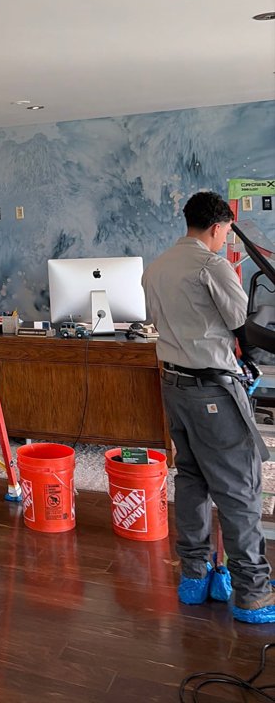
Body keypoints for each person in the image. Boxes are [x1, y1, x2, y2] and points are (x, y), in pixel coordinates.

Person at [142, 190, 274, 624]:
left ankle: (195, 578)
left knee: (193, 479)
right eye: (225, 233)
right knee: (239, 488)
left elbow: (164, 323)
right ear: (218, 227)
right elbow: (245, 329)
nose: (225, 241)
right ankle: (253, 594)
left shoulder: (157, 267)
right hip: (212, 392)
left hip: (174, 388)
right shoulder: (212, 266)